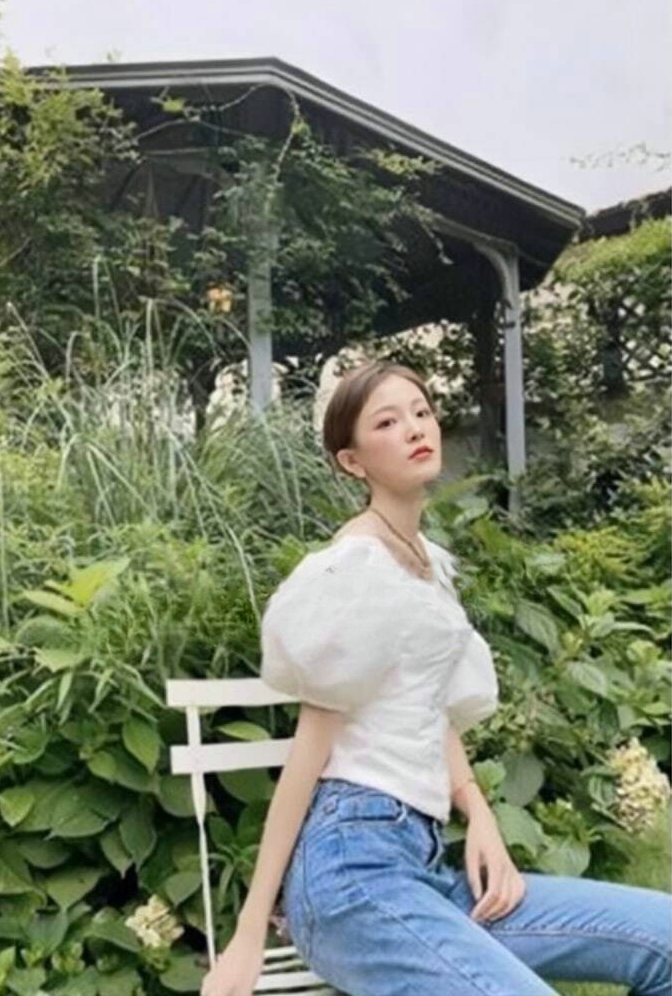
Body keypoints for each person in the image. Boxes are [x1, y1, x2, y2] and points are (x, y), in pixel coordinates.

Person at [200, 360, 671, 996]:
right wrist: (249, 931)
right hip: (351, 877)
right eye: (387, 423)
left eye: (421, 412)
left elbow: (427, 707)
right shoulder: (354, 569)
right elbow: (310, 748)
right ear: (351, 461)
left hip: (425, 868)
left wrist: (480, 815)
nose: (416, 428)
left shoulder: (426, 563)